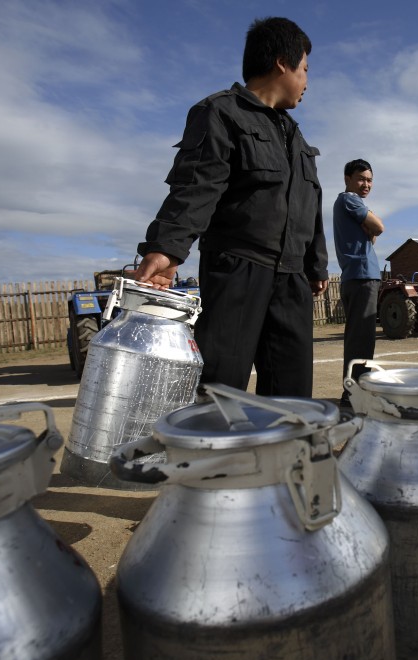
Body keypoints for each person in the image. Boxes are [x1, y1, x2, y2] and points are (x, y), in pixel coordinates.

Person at [133, 17, 328, 398]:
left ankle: (283, 458)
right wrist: (167, 248)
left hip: (291, 281)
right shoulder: (222, 113)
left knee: (293, 400)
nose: (307, 81)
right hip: (237, 270)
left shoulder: (297, 138)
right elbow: (196, 185)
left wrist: (315, 265)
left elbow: (311, 205)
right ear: (281, 63)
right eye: (305, 69)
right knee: (220, 393)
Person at [333, 159, 385, 406]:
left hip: (355, 276)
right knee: (362, 341)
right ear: (348, 179)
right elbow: (379, 227)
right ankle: (355, 394)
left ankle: (353, 392)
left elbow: (372, 236)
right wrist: (371, 221)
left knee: (358, 339)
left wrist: (369, 228)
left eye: (370, 180)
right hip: (362, 276)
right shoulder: (349, 199)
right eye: (361, 179)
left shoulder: (347, 203)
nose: (366, 184)